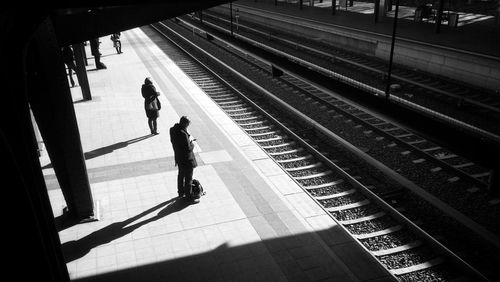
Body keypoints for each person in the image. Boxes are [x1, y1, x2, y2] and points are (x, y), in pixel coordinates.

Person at [170, 116, 198, 200]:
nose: (188, 126)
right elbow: (188, 148)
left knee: (181, 175)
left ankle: (181, 193)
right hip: (186, 160)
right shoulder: (182, 133)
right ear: (185, 124)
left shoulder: (172, 129)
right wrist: (192, 143)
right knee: (188, 178)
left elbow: (178, 143)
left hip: (179, 157)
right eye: (188, 124)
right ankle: (189, 197)